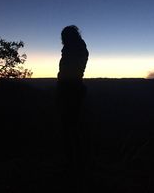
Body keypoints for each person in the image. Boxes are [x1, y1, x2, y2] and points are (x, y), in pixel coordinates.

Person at [57, 25, 89, 188]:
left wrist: (61, 86)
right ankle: (76, 163)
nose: (62, 39)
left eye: (64, 36)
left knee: (70, 126)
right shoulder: (78, 48)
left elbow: (68, 72)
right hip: (74, 88)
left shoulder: (73, 49)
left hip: (71, 90)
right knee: (73, 126)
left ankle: (73, 164)